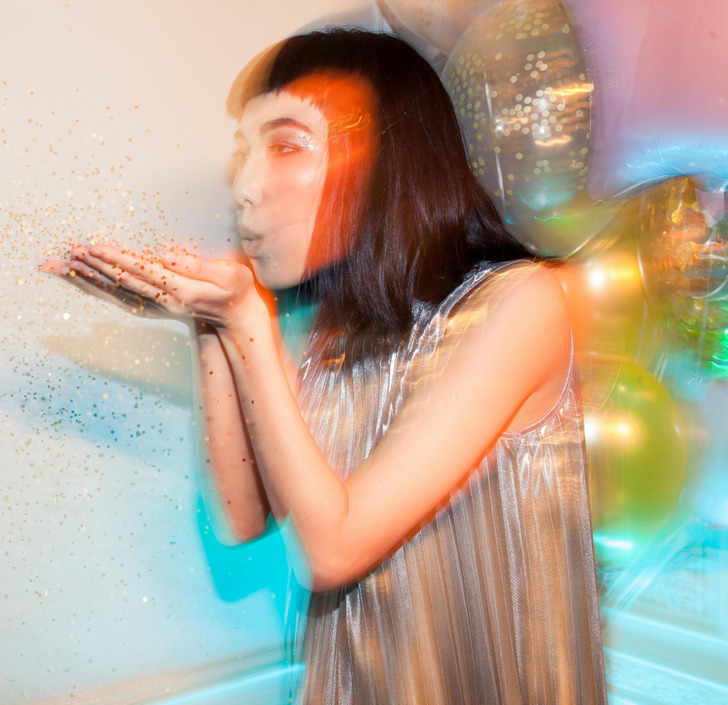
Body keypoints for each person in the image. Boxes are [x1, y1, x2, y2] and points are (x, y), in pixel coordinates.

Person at [42, 28, 606, 705]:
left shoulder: (519, 302)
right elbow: (242, 517)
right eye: (245, 152)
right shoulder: (336, 331)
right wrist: (210, 320)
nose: (245, 187)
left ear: (387, 160)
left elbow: (333, 549)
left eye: (285, 146)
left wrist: (245, 320)